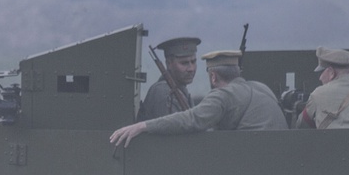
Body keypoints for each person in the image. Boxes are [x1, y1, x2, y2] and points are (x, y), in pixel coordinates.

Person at [111, 49, 287, 147]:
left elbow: (192, 119)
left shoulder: (223, 95)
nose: (191, 68)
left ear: (213, 77)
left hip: (251, 160)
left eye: (193, 62)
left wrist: (143, 126)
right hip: (277, 152)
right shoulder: (261, 87)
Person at [136, 37, 200, 121]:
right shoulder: (163, 92)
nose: (191, 68)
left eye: (193, 62)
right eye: (184, 63)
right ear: (169, 63)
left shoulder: (182, 91)